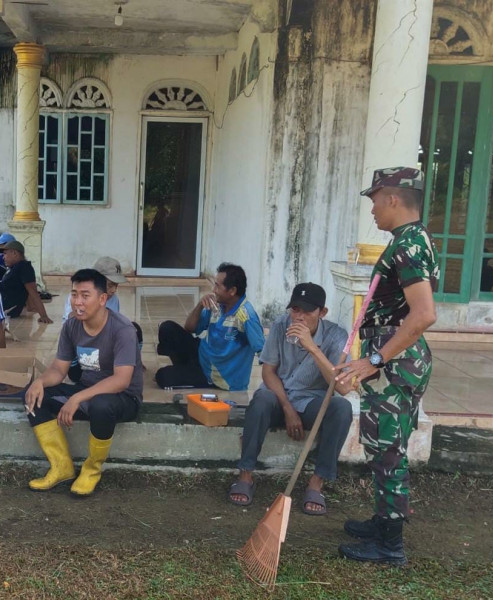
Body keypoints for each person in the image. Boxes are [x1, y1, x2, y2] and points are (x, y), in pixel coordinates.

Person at [334, 166, 439, 566]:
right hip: (394, 359)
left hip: (393, 362)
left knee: (389, 451)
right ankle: (383, 522)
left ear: (393, 197)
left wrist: (376, 358)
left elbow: (424, 313)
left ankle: (389, 546)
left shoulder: (410, 244)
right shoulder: (410, 240)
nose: (373, 209)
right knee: (383, 447)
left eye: (375, 199)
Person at [228, 283, 353, 512]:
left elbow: (343, 388)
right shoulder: (280, 325)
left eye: (307, 311)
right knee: (261, 400)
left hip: (312, 402)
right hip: (279, 397)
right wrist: (287, 409)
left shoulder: (336, 336)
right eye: (295, 310)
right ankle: (245, 476)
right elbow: (268, 372)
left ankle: (316, 484)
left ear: (322, 313)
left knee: (342, 408)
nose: (300, 317)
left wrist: (313, 348)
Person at [24, 268, 143, 497]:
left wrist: (77, 398)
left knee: (101, 404)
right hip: (87, 392)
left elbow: (121, 380)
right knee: (33, 395)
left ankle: (91, 470)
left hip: (123, 399)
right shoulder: (71, 326)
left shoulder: (122, 330)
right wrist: (39, 382)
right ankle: (61, 467)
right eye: (74, 294)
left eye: (85, 295)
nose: (77, 302)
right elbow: (59, 369)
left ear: (102, 299)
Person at [155, 263, 265, 391]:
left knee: (162, 377)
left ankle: (187, 374)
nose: (213, 290)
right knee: (167, 328)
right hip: (202, 356)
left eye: (217, 286)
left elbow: (264, 352)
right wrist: (200, 305)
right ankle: (184, 369)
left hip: (217, 376)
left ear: (232, 291)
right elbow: (190, 328)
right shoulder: (217, 305)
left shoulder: (247, 317)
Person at [0, 240, 53, 323]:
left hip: (2, 308)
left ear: (14, 253)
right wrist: (30, 308)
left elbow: (33, 292)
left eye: (5, 254)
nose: (3, 257)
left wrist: (43, 316)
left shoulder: (24, 268)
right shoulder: (15, 268)